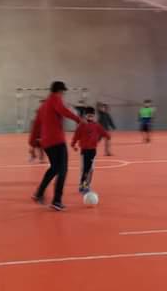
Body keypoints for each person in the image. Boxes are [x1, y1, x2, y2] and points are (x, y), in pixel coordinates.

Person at [30, 81, 82, 211]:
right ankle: (57, 201)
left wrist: (32, 142)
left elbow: (36, 124)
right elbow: (63, 110)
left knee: (54, 168)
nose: (63, 94)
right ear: (59, 91)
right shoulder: (55, 99)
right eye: (62, 92)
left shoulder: (43, 106)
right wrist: (78, 119)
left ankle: (39, 193)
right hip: (57, 141)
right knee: (62, 170)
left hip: (47, 143)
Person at [72, 107, 111, 194]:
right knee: (84, 169)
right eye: (89, 116)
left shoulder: (96, 125)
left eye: (92, 116)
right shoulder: (82, 125)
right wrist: (73, 144)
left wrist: (108, 136)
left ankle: (87, 184)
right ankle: (82, 185)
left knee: (91, 169)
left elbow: (103, 131)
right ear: (85, 116)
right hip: (84, 150)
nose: (90, 117)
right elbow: (76, 135)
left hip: (92, 151)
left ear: (94, 116)